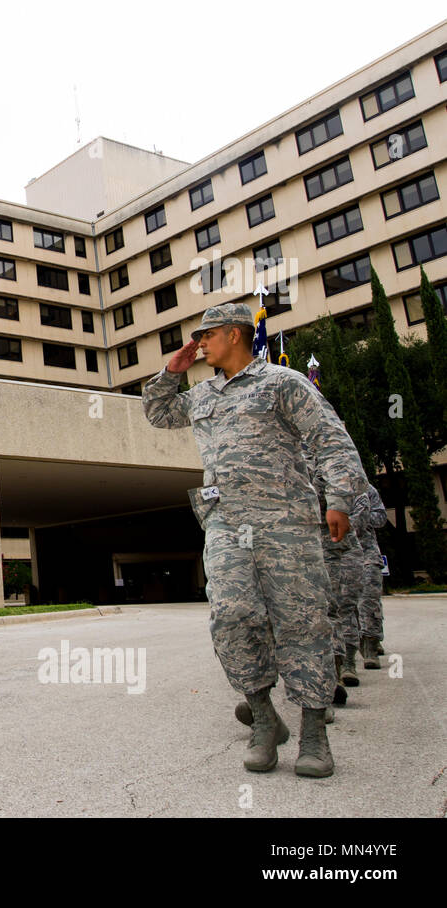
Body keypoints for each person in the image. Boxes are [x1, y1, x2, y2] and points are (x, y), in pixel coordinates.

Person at [143, 302, 365, 778]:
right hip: (225, 523)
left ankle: (313, 734)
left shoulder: (282, 383)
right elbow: (158, 414)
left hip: (285, 522)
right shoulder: (201, 395)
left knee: (301, 622)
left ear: (235, 335)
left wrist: (340, 499)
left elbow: (331, 439)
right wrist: (171, 370)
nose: (199, 343)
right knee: (231, 615)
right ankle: (264, 720)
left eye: (206, 336)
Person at [355, 483, 388, 668]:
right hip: (339, 552)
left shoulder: (367, 490)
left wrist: (359, 515)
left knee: (369, 598)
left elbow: (381, 517)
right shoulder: (324, 487)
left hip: (366, 552)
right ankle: (355, 644)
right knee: (346, 605)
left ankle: (370, 645)